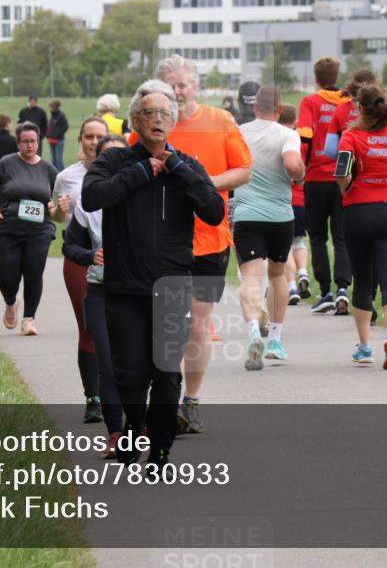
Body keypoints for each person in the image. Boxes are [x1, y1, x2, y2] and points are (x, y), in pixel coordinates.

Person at [81, 79, 224, 471]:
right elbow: (92, 197)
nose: (158, 120)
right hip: (125, 287)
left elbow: (214, 211)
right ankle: (134, 425)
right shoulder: (115, 162)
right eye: (150, 113)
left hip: (172, 287)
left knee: (164, 375)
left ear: (173, 121)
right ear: (135, 121)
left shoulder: (187, 165)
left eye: (165, 114)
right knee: (130, 377)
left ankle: (160, 450)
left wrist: (176, 169)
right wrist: (144, 171)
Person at [153, 54, 252, 434]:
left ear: (195, 85)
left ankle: (190, 400)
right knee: (166, 323)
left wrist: (203, 183)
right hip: (163, 239)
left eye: (183, 84)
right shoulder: (150, 123)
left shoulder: (220, 121)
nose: (177, 91)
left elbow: (244, 170)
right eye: (170, 85)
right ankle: (163, 394)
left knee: (197, 324)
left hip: (210, 240)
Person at [335, 84, 387, 369]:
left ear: (360, 108)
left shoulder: (350, 138)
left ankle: (364, 346)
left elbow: (341, 173)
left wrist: (349, 188)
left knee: (362, 279)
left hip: (358, 212)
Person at [62, 133, 129, 458]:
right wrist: (90, 256)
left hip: (137, 292)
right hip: (100, 290)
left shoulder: (145, 196)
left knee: (137, 364)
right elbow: (69, 245)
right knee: (106, 362)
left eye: (121, 157)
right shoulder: (88, 205)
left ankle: (141, 426)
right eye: (107, 158)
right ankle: (115, 432)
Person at [232, 86, 304, 370]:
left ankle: (252, 329)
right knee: (276, 274)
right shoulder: (288, 134)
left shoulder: (239, 132)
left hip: (247, 213)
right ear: (279, 109)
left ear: (254, 107)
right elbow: (291, 164)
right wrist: (298, 174)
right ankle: (274, 338)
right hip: (279, 215)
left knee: (250, 273)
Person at [51, 116, 110, 422]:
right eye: (88, 136)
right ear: (80, 139)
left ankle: (119, 392)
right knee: (88, 328)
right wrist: (59, 212)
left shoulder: (120, 173)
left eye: (98, 137)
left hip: (116, 258)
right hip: (80, 257)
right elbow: (58, 217)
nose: (92, 142)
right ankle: (94, 398)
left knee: (118, 329)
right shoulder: (66, 177)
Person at [0, 122, 58, 336]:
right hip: (7, 228)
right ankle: (10, 302)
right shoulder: (7, 163)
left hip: (39, 230)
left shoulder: (48, 169)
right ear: (18, 142)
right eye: (25, 141)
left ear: (38, 142)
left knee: (34, 272)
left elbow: (54, 196)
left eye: (33, 141)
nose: (30, 145)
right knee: (8, 276)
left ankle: (28, 319)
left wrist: (54, 206)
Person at [298, 57, 352, 315]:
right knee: (341, 237)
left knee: (318, 238)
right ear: (337, 74)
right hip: (344, 178)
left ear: (316, 78)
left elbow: (305, 137)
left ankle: (326, 292)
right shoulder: (349, 103)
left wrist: (300, 170)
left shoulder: (310, 102)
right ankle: (343, 288)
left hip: (317, 177)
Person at [277, 104, 311, 304]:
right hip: (301, 198)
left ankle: (291, 287)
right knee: (299, 241)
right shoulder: (303, 140)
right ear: (295, 121)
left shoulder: (276, 140)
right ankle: (303, 272)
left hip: (282, 198)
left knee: (285, 246)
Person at [47, 99, 69, 172]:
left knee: (59, 160)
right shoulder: (52, 116)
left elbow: (66, 126)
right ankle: (55, 176)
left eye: (51, 106)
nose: (50, 108)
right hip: (51, 141)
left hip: (59, 141)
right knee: (53, 160)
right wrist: (48, 135)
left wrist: (57, 135)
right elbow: (49, 127)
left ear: (55, 107)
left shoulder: (61, 116)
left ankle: (63, 175)